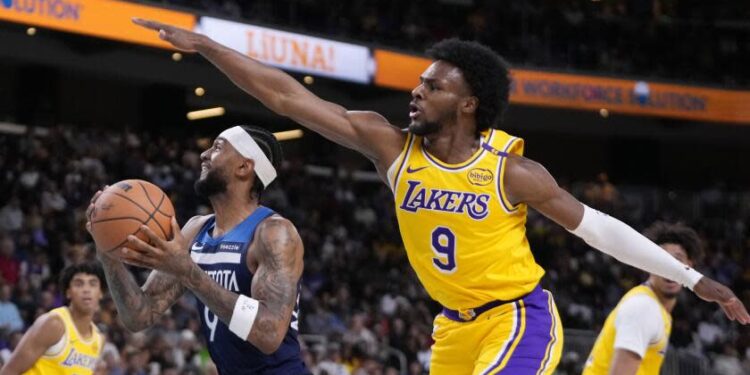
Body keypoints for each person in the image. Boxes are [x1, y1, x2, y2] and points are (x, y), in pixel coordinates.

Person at [132, 18, 750, 374]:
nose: (417, 92)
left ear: (468, 102)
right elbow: (292, 99)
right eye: (419, 82)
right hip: (451, 331)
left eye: (433, 86)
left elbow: (599, 229)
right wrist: (210, 48)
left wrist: (693, 280)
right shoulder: (392, 148)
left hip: (518, 317)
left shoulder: (510, 170)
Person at [87, 125, 309, 374]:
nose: (203, 154)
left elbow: (268, 334)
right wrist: (108, 251)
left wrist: (188, 272)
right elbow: (139, 316)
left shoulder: (274, 233)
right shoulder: (195, 230)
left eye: (217, 147)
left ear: (244, 167)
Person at [583, 222, 704, 375]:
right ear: (648, 264)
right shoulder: (644, 307)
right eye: (663, 260)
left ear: (690, 267)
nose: (671, 268)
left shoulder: (657, 308)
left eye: (678, 260)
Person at [0, 262, 106, 375]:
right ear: (68, 292)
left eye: (93, 284)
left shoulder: (98, 339)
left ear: (101, 293)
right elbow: (9, 371)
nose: (86, 290)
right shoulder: (54, 324)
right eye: (79, 284)